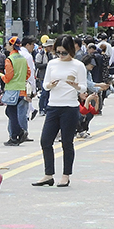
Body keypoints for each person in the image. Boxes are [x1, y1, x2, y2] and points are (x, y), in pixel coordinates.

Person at [33, 36, 84, 188]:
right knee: (45, 141)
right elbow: (45, 84)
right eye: (58, 53)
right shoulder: (52, 64)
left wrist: (75, 86)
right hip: (53, 105)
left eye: (64, 53)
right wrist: (50, 85)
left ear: (71, 51)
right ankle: (48, 174)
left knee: (67, 142)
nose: (61, 56)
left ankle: (66, 175)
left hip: (70, 106)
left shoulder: (78, 65)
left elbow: (83, 87)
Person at [0, 37, 33, 146]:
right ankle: (20, 132)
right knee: (19, 113)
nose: (6, 46)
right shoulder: (23, 58)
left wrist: (3, 78)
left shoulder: (10, 59)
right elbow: (28, 73)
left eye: (7, 44)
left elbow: (8, 76)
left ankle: (15, 135)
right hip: (22, 90)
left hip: (12, 90)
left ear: (11, 45)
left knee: (11, 113)